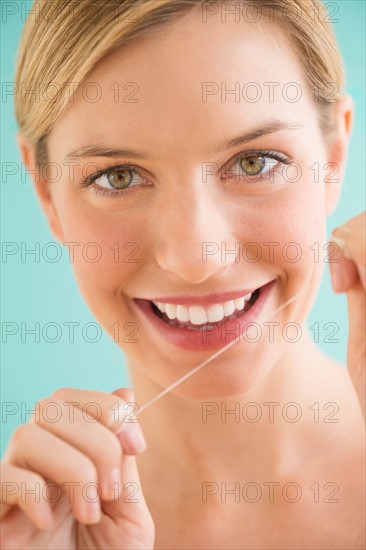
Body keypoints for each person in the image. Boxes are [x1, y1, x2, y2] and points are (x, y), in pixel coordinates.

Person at [1, 1, 365, 548]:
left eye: (254, 162)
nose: (196, 257)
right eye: (119, 176)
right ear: (47, 192)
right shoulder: (36, 527)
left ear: (333, 156)